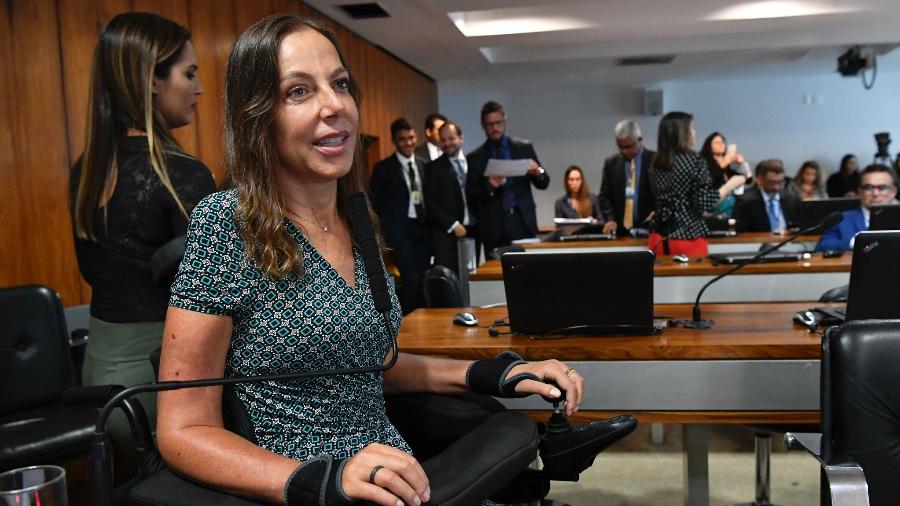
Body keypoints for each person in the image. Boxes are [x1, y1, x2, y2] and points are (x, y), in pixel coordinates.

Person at [156, 15, 583, 506]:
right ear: (258, 115)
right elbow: (183, 429)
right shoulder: (227, 222)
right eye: (299, 92)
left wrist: (497, 371)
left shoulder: (357, 218)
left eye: (340, 84)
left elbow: (374, 363)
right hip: (309, 488)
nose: (334, 105)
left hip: (399, 479)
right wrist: (321, 481)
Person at [69, 12, 215, 436]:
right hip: (157, 388)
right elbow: (213, 299)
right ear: (153, 79)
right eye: (189, 74)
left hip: (98, 385)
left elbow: (92, 272)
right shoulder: (182, 173)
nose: (198, 88)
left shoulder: (88, 171)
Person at [647, 112, 741, 256]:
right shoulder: (694, 160)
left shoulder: (656, 163)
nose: (694, 132)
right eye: (692, 128)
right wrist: (730, 185)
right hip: (686, 235)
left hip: (658, 236)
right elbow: (704, 202)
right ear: (683, 132)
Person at [467, 100, 550, 255]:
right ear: (483, 126)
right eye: (489, 124)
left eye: (498, 123)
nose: (494, 128)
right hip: (494, 224)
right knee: (496, 273)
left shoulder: (523, 147)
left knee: (525, 271)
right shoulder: (475, 157)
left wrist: (538, 170)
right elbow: (471, 195)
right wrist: (489, 186)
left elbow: (545, 181)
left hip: (522, 220)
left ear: (505, 121)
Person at [369, 118, 431, 314]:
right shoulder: (383, 169)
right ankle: (408, 324)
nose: (409, 143)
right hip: (399, 234)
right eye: (403, 139)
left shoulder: (425, 165)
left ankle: (424, 324)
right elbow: (374, 204)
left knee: (423, 279)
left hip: (424, 230)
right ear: (394, 141)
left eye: (411, 137)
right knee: (411, 280)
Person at [424, 120, 478, 274]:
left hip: (474, 232)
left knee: (473, 280)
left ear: (461, 138)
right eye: (443, 140)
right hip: (447, 236)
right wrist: (453, 225)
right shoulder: (432, 168)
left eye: (451, 138)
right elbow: (431, 203)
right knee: (451, 284)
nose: (447, 143)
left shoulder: (472, 163)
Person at [816, 164, 898, 252]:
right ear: (859, 191)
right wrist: (853, 243)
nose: (875, 193)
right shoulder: (841, 219)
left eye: (882, 188)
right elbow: (823, 246)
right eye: (869, 187)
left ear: (893, 192)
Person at [597, 120, 656, 235]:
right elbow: (604, 196)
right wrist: (610, 219)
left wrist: (656, 213)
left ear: (639, 139)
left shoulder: (655, 161)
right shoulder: (611, 163)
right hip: (619, 230)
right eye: (620, 147)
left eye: (628, 146)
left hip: (649, 228)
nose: (624, 151)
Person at [732, 159, 800, 233]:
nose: (776, 187)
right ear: (760, 179)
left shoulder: (791, 199)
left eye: (780, 182)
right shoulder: (745, 201)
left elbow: (798, 226)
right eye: (772, 182)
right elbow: (740, 231)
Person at [698, 131, 750, 216]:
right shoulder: (703, 162)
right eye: (717, 143)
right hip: (712, 204)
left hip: (732, 204)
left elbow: (748, 179)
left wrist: (743, 163)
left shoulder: (728, 166)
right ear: (709, 146)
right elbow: (711, 177)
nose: (721, 145)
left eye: (722, 142)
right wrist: (726, 160)